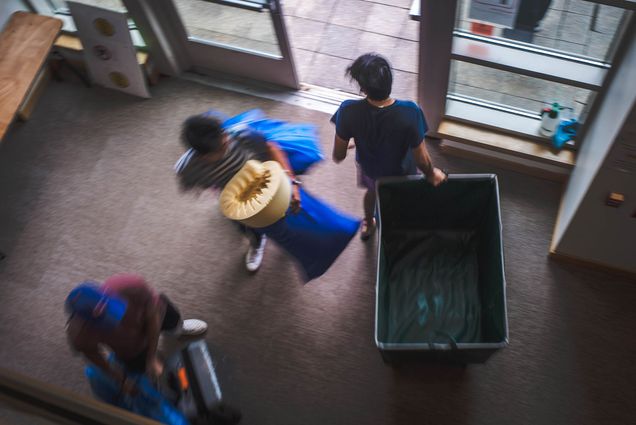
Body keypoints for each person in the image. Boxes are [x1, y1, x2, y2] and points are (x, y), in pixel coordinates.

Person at [331, 53, 447, 240]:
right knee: (404, 197)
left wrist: (353, 137)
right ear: (390, 81)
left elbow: (338, 155)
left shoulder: (347, 111)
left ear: (363, 88)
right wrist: (432, 174)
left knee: (372, 193)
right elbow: (421, 158)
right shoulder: (410, 112)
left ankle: (369, 223)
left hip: (371, 171)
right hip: (402, 171)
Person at [175, 114, 302, 272]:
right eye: (222, 147)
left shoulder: (241, 135)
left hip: (263, 179)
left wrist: (291, 182)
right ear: (203, 157)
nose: (227, 140)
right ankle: (257, 242)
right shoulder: (189, 168)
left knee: (284, 214)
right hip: (236, 197)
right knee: (246, 224)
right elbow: (194, 185)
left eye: (224, 135)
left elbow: (272, 148)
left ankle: (291, 241)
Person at [65, 274, 207, 395]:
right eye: (105, 321)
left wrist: (151, 357)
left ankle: (178, 329)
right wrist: (121, 380)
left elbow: (153, 316)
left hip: (153, 316)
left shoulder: (131, 285)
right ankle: (152, 373)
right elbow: (94, 356)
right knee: (143, 371)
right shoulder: (80, 337)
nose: (115, 320)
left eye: (112, 310)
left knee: (173, 320)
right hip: (131, 348)